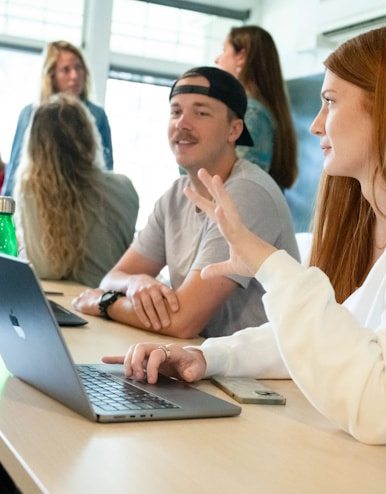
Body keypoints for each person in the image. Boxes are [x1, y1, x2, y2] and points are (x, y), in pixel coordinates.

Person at [108, 24, 386, 472]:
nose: (317, 123)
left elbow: (384, 408)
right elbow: (337, 332)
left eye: (331, 102)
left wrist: (270, 266)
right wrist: (209, 356)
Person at [72, 66, 299, 339]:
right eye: (176, 112)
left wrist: (104, 303)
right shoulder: (175, 194)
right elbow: (112, 278)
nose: (182, 123)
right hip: (200, 360)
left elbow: (183, 321)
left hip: (252, 376)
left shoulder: (247, 193)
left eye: (201, 113)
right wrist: (135, 282)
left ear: (234, 130)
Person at [15, 94, 138, 288]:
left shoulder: (32, 190)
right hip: (111, 304)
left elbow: (46, 270)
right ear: (89, 136)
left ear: (36, 145)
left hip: (65, 307)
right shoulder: (124, 187)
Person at [1, 40, 113, 196]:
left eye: (78, 68)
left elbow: (106, 172)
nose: (74, 76)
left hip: (83, 203)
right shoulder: (31, 114)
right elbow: (15, 171)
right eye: (66, 70)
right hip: (37, 200)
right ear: (51, 76)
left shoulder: (96, 116)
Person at [215, 25, 298, 191]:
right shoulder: (257, 110)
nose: (217, 59)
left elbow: (239, 186)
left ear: (241, 57)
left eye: (224, 50)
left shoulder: (253, 113)